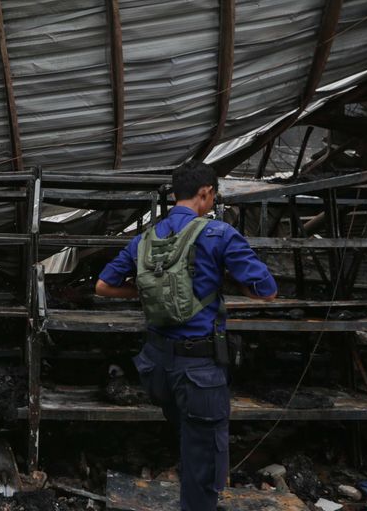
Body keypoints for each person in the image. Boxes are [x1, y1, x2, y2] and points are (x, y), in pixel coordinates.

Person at [95, 160, 277, 511]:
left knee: (185, 436)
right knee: (205, 458)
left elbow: (103, 286)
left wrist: (147, 292)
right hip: (200, 371)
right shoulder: (219, 234)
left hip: (156, 367)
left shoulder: (144, 239)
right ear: (206, 193)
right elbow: (267, 290)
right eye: (214, 195)